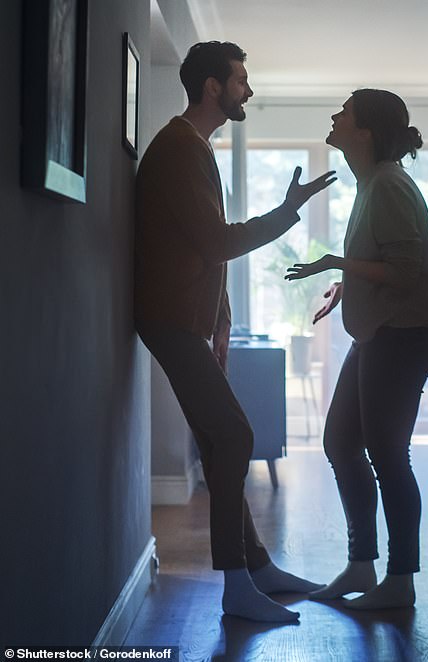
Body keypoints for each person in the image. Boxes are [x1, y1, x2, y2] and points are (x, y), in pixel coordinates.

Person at [134, 41, 335, 623]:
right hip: (169, 321)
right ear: (213, 87)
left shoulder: (194, 147)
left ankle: (258, 568)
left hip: (184, 322)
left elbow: (203, 247)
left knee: (223, 441)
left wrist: (220, 321)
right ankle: (238, 587)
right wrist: (287, 209)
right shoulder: (178, 149)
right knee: (238, 436)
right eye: (241, 79)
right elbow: (218, 243)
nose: (249, 89)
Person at [285, 89, 428, 609]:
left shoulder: (389, 185)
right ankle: (361, 566)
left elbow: (403, 273)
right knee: (340, 442)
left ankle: (400, 582)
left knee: (386, 454)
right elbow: (388, 265)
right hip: (383, 333)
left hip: (404, 336)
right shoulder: (372, 184)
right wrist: (347, 286)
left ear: (367, 131)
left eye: (345, 112)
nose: (334, 116)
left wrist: (336, 264)